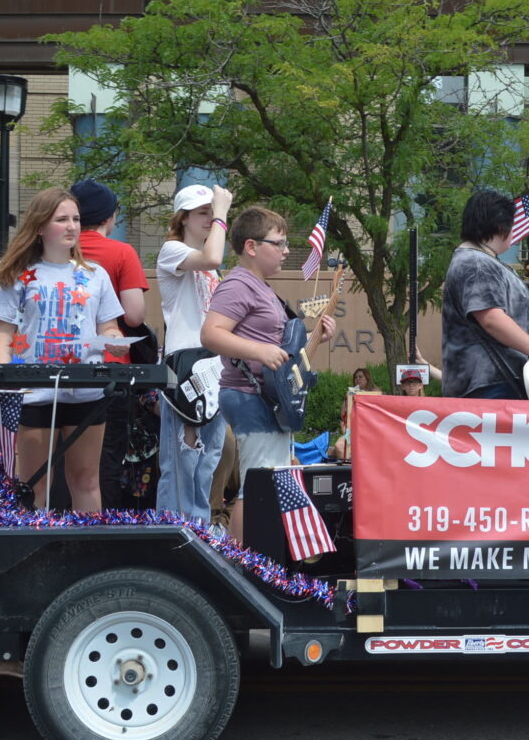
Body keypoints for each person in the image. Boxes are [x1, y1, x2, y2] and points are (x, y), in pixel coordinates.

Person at [200, 205, 334, 540]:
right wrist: (258, 351)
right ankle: (243, 566)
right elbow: (211, 333)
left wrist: (318, 336)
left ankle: (252, 563)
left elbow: (289, 364)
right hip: (250, 396)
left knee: (265, 481)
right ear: (251, 246)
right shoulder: (239, 284)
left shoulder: (260, 288)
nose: (287, 251)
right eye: (280, 243)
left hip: (264, 396)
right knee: (257, 484)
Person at [0, 187, 124, 512]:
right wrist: (7, 375)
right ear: (40, 227)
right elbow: (1, 333)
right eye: (61, 219)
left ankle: (86, 553)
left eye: (76, 219)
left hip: (87, 391)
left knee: (86, 479)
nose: (71, 226)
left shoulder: (96, 275)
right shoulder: (20, 275)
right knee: (35, 483)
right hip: (35, 391)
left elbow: (108, 327)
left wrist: (113, 338)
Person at [72, 178, 153, 510]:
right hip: (109, 369)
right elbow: (134, 316)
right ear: (109, 216)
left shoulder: (57, 252)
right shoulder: (120, 252)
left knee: (59, 455)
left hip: (58, 369)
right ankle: (99, 532)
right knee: (103, 461)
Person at [155, 183, 231, 522]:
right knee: (182, 460)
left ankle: (198, 528)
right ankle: (175, 533)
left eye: (212, 214)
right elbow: (213, 254)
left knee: (208, 459)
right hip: (185, 368)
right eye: (203, 213)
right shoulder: (172, 250)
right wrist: (224, 213)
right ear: (182, 218)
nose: (211, 220)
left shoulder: (211, 269)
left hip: (213, 368)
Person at [440, 189, 529, 399]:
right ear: (500, 227)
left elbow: (508, 319)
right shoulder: (476, 263)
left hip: (497, 381)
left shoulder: (482, 260)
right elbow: (492, 319)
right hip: (489, 384)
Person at [330, 367, 383, 461]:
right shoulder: (351, 393)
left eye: (360, 377)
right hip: (352, 431)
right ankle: (349, 473)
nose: (357, 379)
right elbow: (343, 415)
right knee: (339, 446)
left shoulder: (376, 393)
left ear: (367, 378)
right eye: (356, 377)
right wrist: (347, 399)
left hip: (371, 432)